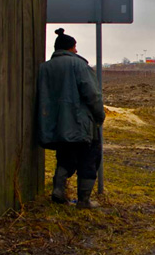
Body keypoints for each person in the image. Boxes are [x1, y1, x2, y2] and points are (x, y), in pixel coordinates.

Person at [37, 28, 105, 209]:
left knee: (65, 157)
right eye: (75, 47)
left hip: (57, 125)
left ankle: (58, 189)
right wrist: (100, 115)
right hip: (81, 124)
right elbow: (92, 94)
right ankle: (84, 200)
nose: (76, 51)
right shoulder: (79, 66)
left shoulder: (44, 68)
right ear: (70, 48)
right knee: (89, 158)